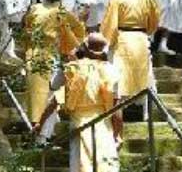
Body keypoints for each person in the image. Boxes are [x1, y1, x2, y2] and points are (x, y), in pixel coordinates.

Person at [34, 33, 123, 172]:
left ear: (85, 48)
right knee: (106, 164)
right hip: (103, 124)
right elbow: (117, 108)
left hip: (79, 123)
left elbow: (54, 96)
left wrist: (40, 124)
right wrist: (117, 134)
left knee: (80, 164)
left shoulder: (71, 69)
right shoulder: (112, 70)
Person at [23, 0, 87, 126]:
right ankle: (43, 131)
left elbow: (25, 29)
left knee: (36, 94)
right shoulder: (61, 12)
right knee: (48, 94)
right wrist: (72, 49)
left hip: (32, 52)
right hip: (48, 54)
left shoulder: (34, 8)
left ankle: (38, 128)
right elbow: (78, 31)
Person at [100, 0, 160, 106]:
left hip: (122, 37)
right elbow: (154, 19)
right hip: (140, 37)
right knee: (143, 73)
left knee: (120, 73)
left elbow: (111, 20)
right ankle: (145, 108)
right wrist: (147, 32)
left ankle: (118, 107)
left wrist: (108, 40)